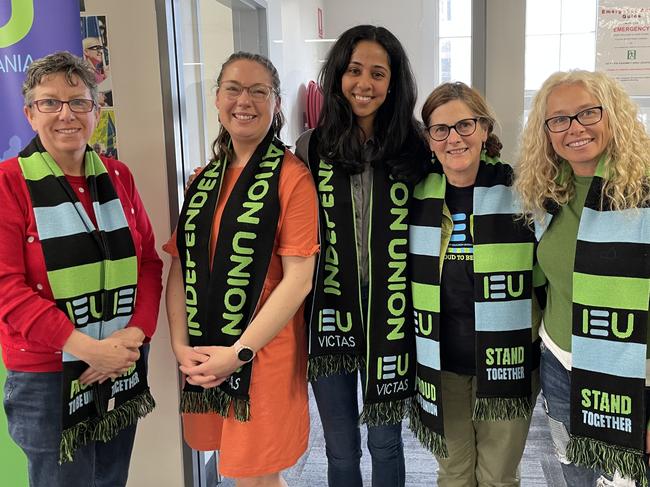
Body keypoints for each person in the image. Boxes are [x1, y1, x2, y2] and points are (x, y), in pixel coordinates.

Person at [0, 51, 162, 487]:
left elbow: (147, 262)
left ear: (95, 109)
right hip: (48, 377)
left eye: (78, 101)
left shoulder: (118, 175)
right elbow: (6, 290)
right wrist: (85, 347)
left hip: (122, 362)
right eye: (49, 102)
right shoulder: (8, 184)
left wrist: (134, 334)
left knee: (110, 479)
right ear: (29, 114)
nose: (65, 114)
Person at [165, 51, 318, 487]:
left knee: (256, 475)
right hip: (206, 350)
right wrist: (179, 345)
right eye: (233, 89)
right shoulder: (202, 181)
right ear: (217, 99)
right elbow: (181, 264)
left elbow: (299, 280)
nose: (244, 101)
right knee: (245, 473)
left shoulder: (292, 178)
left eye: (258, 91)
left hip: (262, 356)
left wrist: (239, 353)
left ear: (275, 103)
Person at [294, 25, 429, 487]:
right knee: (340, 444)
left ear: (393, 83)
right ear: (338, 76)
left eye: (377, 72)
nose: (364, 84)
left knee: (385, 442)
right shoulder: (310, 146)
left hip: (392, 313)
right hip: (330, 310)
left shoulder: (417, 146)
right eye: (354, 71)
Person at [515, 70, 650, 486]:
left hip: (629, 370)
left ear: (613, 115)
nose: (574, 128)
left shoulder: (643, 192)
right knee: (575, 472)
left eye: (587, 113)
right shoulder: (549, 193)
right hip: (559, 360)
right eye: (559, 119)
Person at [407, 81, 542, 487]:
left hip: (509, 361)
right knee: (453, 472)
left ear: (485, 129)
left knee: (498, 476)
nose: (454, 138)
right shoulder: (414, 197)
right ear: (429, 139)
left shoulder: (525, 193)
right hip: (440, 363)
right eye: (441, 129)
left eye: (465, 125)